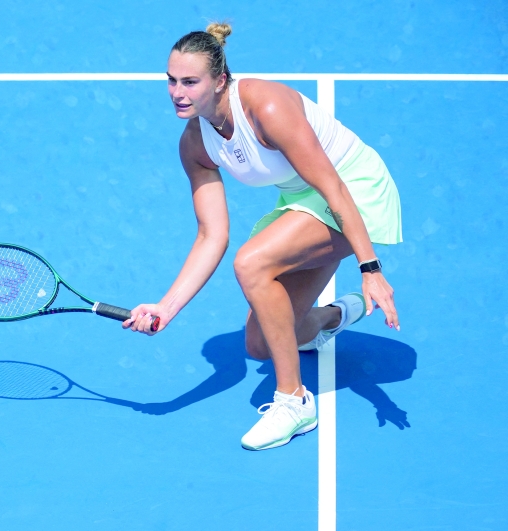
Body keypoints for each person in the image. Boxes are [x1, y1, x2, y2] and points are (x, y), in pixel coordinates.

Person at [123, 23, 402, 451]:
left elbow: (334, 189)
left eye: (190, 82)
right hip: (304, 203)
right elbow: (211, 235)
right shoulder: (195, 144)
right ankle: (334, 317)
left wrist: (370, 268)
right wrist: (167, 306)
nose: (177, 92)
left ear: (220, 80)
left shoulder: (266, 107)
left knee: (252, 262)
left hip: (354, 191)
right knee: (260, 344)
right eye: (171, 80)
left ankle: (294, 402)